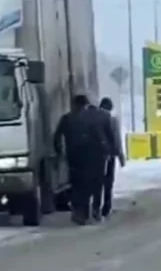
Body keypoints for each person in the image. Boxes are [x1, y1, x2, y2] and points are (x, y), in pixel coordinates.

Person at [53, 94, 113, 225]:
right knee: (96, 183)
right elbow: (105, 135)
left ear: (74, 105)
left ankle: (81, 213)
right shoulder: (98, 116)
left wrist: (59, 153)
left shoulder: (67, 118)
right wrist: (108, 151)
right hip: (96, 157)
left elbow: (57, 137)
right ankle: (95, 209)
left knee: (78, 185)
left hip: (75, 157)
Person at [98, 97, 125, 218]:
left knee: (97, 182)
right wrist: (120, 156)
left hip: (96, 156)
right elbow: (117, 139)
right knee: (108, 182)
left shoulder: (94, 118)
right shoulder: (112, 120)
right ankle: (106, 207)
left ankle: (95, 207)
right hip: (109, 155)